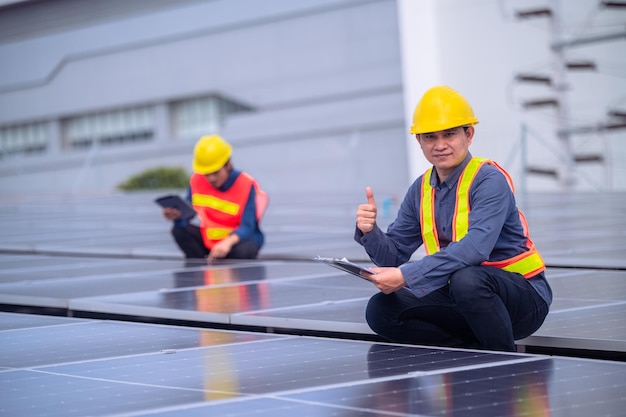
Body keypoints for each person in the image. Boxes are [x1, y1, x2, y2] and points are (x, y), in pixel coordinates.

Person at [355, 85, 552, 352]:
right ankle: (465, 353)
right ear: (419, 141)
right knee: (381, 309)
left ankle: (503, 362)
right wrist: (370, 232)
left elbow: (475, 248)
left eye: (449, 134)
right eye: (430, 137)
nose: (440, 145)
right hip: (463, 299)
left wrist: (406, 275)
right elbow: (393, 257)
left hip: (522, 298)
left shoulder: (488, 180)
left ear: (468, 134)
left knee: (467, 279)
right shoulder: (421, 189)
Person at [163, 134, 268, 261]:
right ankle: (196, 269)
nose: (211, 178)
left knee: (244, 250)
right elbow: (188, 215)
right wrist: (177, 217)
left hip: (236, 242)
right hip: (210, 240)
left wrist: (227, 243)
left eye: (215, 173)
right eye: (207, 174)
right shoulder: (197, 180)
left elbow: (247, 226)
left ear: (228, 165)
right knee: (178, 231)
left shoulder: (245, 184)